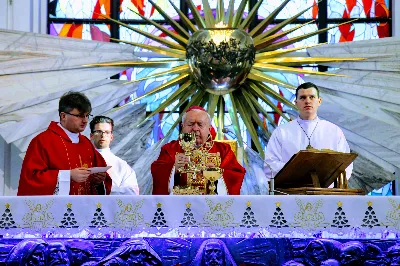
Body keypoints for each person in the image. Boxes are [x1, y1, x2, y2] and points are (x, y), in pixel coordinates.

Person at [18, 91, 112, 196]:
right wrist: (68, 176)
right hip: (58, 210)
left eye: (87, 116)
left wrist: (99, 180)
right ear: (63, 116)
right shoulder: (43, 141)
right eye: (79, 116)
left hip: (85, 208)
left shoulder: (86, 143)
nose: (85, 121)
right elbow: (31, 179)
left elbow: (102, 178)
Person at [265, 82, 353, 180]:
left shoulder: (334, 131)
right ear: (296, 103)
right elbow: (269, 166)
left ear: (319, 101)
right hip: (290, 192)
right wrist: (297, 170)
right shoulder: (282, 132)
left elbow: (346, 166)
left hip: (326, 192)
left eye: (312, 97)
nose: (307, 101)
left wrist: (327, 181)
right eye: (302, 98)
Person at [151, 106, 245, 195]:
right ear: (182, 126)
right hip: (180, 205)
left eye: (200, 124)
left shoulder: (224, 150)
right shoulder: (170, 149)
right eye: (190, 124)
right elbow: (158, 173)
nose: (195, 129)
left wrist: (216, 175)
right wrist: (174, 169)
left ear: (209, 128)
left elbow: (235, 176)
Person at [90, 116, 139, 195]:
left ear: (111, 137)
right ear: (91, 136)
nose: (102, 135)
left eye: (107, 132)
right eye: (98, 131)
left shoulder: (122, 165)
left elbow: (132, 193)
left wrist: (105, 187)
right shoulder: (80, 160)